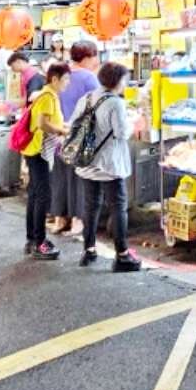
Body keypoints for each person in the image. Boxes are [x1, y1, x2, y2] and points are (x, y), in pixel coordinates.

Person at [75, 62, 141, 272]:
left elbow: (74, 124)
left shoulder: (86, 98)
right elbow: (121, 133)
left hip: (87, 161)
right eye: (124, 79)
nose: (125, 83)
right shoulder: (115, 103)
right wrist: (134, 123)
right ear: (117, 81)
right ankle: (122, 255)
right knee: (118, 206)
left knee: (90, 206)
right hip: (109, 165)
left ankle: (89, 251)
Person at [23, 62, 71, 259]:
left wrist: (63, 126)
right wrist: (62, 131)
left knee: (35, 195)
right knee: (42, 196)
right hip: (39, 152)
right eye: (65, 79)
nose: (67, 83)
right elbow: (43, 123)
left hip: (36, 151)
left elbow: (48, 121)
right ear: (55, 79)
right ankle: (39, 242)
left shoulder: (47, 95)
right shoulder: (48, 96)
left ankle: (33, 239)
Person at [52, 41, 101, 234]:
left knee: (61, 177)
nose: (96, 60)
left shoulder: (61, 75)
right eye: (95, 56)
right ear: (87, 57)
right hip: (80, 134)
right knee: (80, 178)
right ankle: (78, 220)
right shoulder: (89, 78)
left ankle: (59, 219)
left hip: (59, 133)